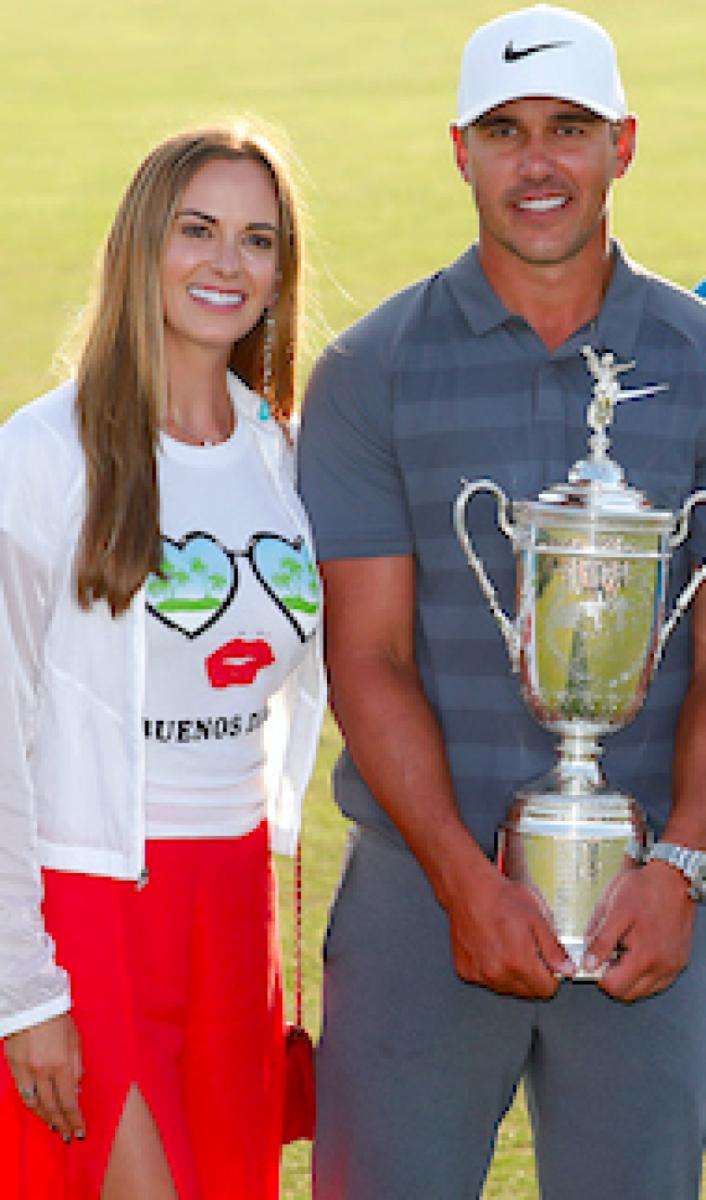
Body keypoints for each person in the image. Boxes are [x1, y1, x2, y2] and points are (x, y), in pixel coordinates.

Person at [298, 6, 706, 1198]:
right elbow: (364, 656)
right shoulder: (371, 370)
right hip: (422, 903)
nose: (538, 163)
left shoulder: (700, 357)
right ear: (459, 150)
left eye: (568, 128)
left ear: (622, 144)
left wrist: (681, 860)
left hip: (650, 904)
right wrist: (466, 883)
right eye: (505, 131)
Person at [0, 121, 324, 1199]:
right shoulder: (45, 456)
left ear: (283, 269)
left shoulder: (281, 451)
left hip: (237, 913)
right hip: (91, 908)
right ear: (141, 245)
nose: (226, 265)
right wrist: (25, 992)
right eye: (197, 231)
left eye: (257, 240)